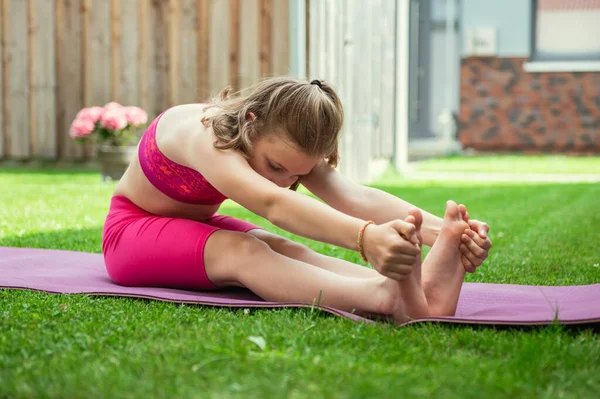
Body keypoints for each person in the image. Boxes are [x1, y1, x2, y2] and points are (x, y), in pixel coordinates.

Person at [101, 76, 492, 324]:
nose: (286, 180)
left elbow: (352, 195)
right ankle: (383, 297)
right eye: (276, 167)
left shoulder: (281, 140)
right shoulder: (203, 135)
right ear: (252, 121)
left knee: (282, 248)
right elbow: (273, 204)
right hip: (129, 232)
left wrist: (444, 234)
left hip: (189, 227)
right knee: (241, 250)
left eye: (298, 174)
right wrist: (366, 239)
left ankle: (420, 293)